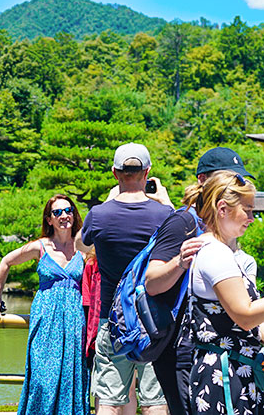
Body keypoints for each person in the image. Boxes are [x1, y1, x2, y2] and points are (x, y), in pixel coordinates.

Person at [145, 147, 264, 415]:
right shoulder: (184, 223)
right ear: (203, 181)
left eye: (239, 179)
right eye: (230, 178)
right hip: (187, 350)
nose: (236, 184)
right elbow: (152, 282)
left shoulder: (228, 240)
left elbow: (245, 304)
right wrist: (180, 263)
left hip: (228, 356)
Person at [179, 170, 264, 415]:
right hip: (223, 377)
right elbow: (245, 316)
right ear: (223, 209)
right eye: (248, 210)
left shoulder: (225, 252)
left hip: (234, 373)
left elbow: (248, 313)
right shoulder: (215, 254)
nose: (252, 218)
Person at [76, 142, 173, 415]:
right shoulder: (164, 215)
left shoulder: (99, 214)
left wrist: (106, 204)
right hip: (154, 319)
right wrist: (166, 202)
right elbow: (187, 236)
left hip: (112, 317)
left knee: (109, 399)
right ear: (148, 172)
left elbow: (81, 245)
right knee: (155, 400)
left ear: (115, 173)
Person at [0, 194, 89, 415]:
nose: (64, 216)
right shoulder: (40, 247)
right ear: (49, 219)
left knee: (71, 380)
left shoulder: (82, 247)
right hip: (45, 320)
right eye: (57, 212)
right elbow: (6, 262)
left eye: (68, 210)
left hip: (74, 322)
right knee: (42, 379)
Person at [82, 249, 140, 415]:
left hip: (127, 326)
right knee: (104, 389)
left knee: (128, 388)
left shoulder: (129, 260)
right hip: (102, 327)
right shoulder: (92, 263)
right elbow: (88, 302)